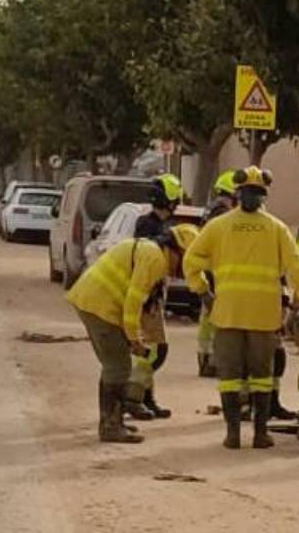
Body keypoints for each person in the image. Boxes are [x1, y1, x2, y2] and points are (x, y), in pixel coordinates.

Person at [184, 166, 299, 450]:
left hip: (228, 314)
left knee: (230, 376)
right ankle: (259, 433)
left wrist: (203, 292)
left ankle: (233, 434)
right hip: (263, 316)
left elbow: (191, 260)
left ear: (236, 194)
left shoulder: (218, 227)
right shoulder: (276, 228)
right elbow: (297, 266)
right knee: (262, 376)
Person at [67, 225, 198, 444]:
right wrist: (134, 339)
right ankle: (110, 426)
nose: (183, 271)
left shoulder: (150, 251)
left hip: (93, 301)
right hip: (100, 306)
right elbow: (133, 303)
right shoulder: (155, 259)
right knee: (118, 367)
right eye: (185, 261)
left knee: (115, 365)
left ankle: (114, 420)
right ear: (176, 250)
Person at [125, 173, 186, 420]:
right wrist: (167, 239)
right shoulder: (146, 223)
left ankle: (146, 398)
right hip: (146, 296)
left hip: (155, 295)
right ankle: (133, 396)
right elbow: (146, 247)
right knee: (155, 351)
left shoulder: (163, 225)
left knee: (154, 349)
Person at [196, 171, 238, 377]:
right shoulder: (223, 212)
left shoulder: (211, 209)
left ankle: (205, 356)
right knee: (216, 313)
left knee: (208, 313)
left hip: (208, 267)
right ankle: (211, 357)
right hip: (217, 268)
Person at [135, 173, 184, 237]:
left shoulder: (169, 226)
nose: (175, 208)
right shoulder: (146, 226)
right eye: (175, 203)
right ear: (170, 204)